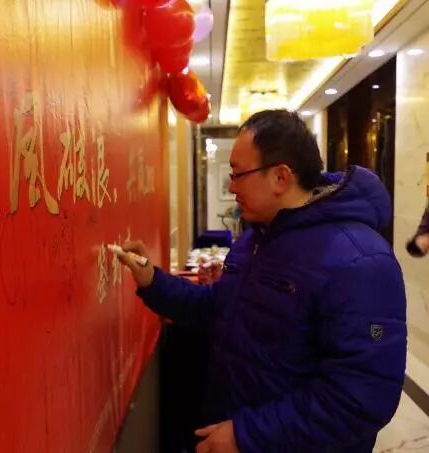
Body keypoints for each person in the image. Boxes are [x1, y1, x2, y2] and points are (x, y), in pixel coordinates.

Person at [119, 110, 407, 453]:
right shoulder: (255, 240)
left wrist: (246, 435)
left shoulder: (362, 261)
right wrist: (153, 280)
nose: (231, 186)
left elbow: (362, 396)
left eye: (238, 174)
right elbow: (217, 308)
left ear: (280, 177)